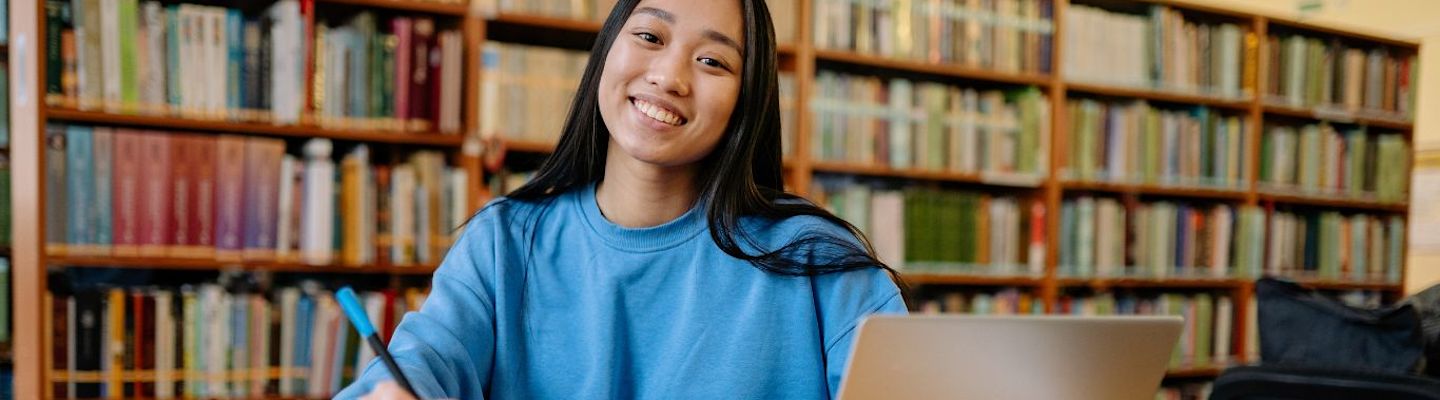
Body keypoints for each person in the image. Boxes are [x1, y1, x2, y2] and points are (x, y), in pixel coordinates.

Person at [340, 0, 905, 398]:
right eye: (650, 37)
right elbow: (423, 363)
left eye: (713, 61)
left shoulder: (819, 262)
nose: (669, 76)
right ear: (606, 51)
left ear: (747, 99)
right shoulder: (504, 242)